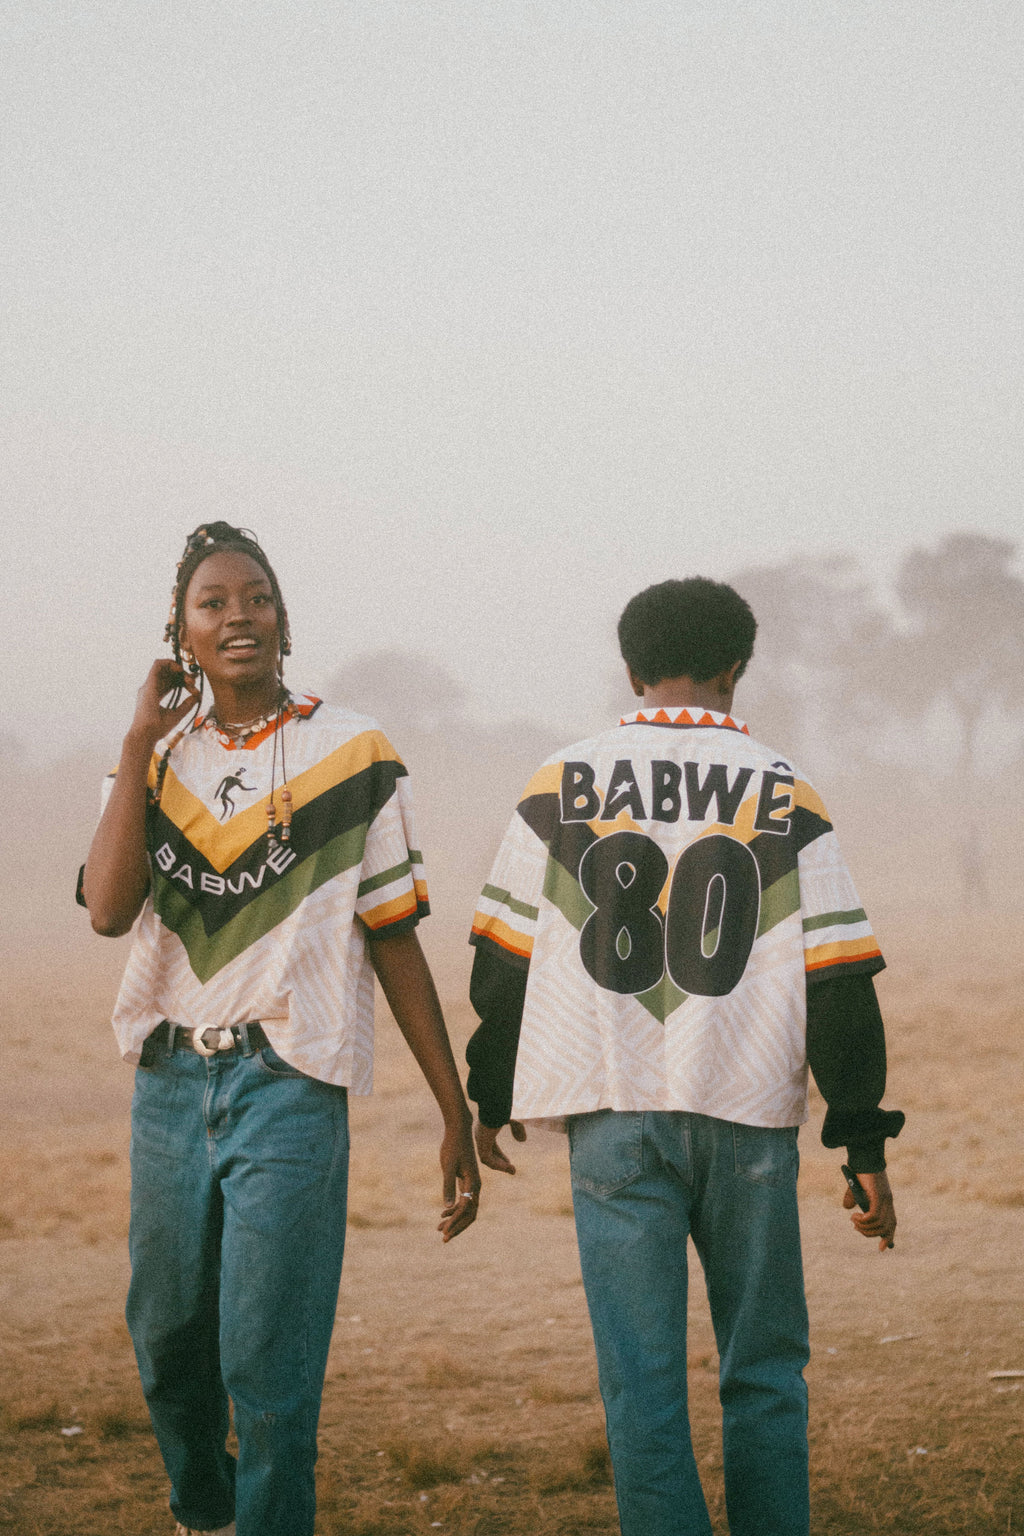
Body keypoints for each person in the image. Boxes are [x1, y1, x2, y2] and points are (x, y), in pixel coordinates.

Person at [465, 576, 904, 1536]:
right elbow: (838, 980)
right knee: (764, 1371)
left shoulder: (560, 782)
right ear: (739, 667)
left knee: (642, 1383)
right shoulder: (785, 789)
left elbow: (503, 962)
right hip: (746, 1116)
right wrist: (862, 1142)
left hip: (612, 1116)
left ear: (629, 670)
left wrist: (486, 1095)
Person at [79, 522, 480, 1536]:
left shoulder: (349, 752)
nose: (238, 615)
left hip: (289, 1080)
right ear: (180, 630)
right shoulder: (151, 758)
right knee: (168, 1343)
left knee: (269, 1367)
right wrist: (134, 745)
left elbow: (393, 941)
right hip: (170, 1079)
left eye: (255, 596)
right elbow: (108, 912)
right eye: (211, 603)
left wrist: (452, 1109)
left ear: (283, 616)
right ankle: (203, 1513)